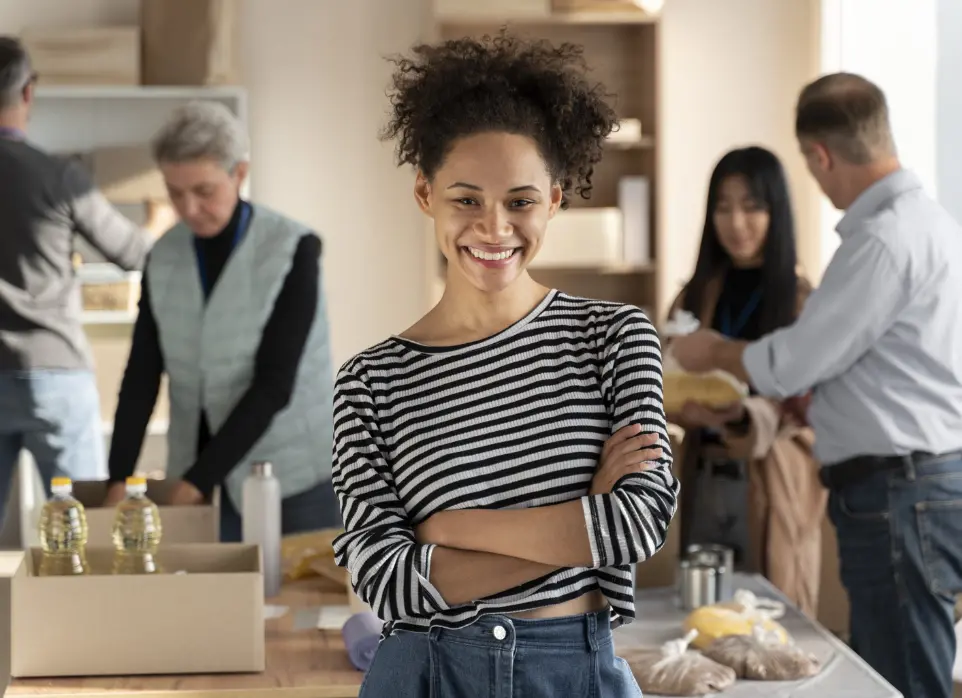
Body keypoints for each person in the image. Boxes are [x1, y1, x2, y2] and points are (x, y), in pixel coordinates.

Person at [331, 33, 679, 697]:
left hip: (575, 673)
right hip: (428, 672)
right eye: (467, 200)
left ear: (553, 199)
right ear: (425, 195)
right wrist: (585, 517)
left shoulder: (614, 337)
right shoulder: (370, 384)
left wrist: (450, 532)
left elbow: (638, 522)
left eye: (520, 201)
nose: (494, 229)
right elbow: (386, 580)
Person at [672, 72, 962, 698]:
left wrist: (714, 354)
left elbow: (794, 366)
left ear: (820, 155)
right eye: (724, 206)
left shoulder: (884, 240)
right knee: (898, 664)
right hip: (908, 483)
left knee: (899, 676)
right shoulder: (928, 223)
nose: (738, 221)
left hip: (894, 487)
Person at [104, 101, 339, 541]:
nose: (189, 208)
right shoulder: (164, 256)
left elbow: (275, 383)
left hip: (292, 477)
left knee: (306, 605)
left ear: (239, 174)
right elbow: (141, 375)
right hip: (198, 476)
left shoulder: (293, 249)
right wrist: (118, 475)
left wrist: (198, 479)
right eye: (175, 192)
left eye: (204, 190)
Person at [0, 36, 155, 520]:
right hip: (56, 372)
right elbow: (136, 255)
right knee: (82, 527)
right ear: (28, 92)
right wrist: (158, 224)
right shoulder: (57, 175)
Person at [666, 145, 825, 615]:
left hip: (773, 482)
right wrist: (675, 406)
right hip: (702, 475)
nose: (737, 222)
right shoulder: (694, 293)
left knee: (770, 622)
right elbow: (663, 373)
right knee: (699, 617)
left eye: (752, 206)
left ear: (776, 211)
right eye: (724, 206)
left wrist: (744, 414)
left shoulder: (800, 299)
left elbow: (813, 404)